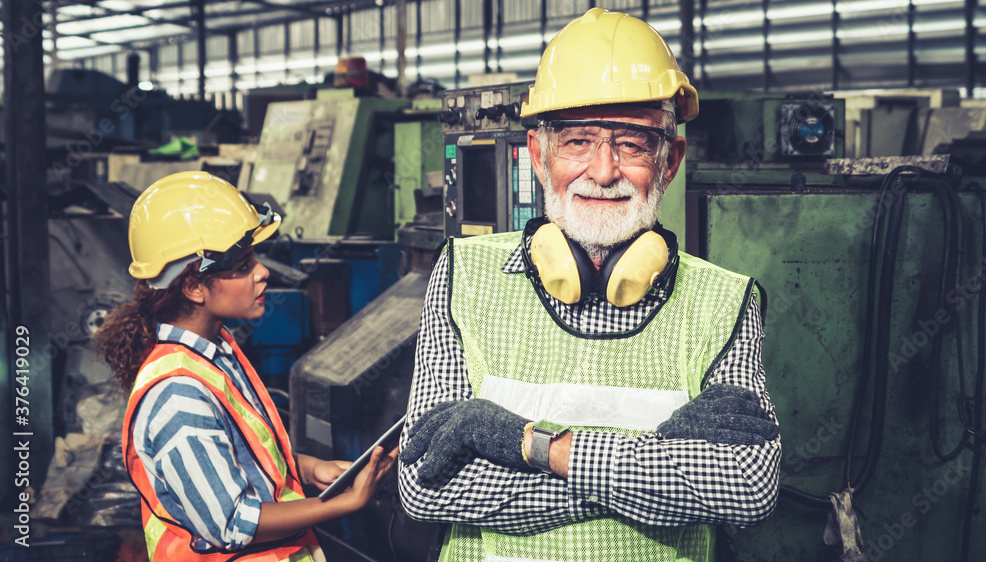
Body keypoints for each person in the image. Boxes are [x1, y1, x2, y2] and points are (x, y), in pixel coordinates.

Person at [398, 7, 781, 562]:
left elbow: (746, 488)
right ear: (538, 153)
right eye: (578, 141)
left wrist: (536, 447)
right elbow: (426, 488)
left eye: (631, 144)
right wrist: (661, 462)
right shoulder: (465, 277)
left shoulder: (722, 301)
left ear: (669, 160)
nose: (603, 171)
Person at [95, 171, 397, 561]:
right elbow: (231, 522)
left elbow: (233, 458)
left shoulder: (215, 352)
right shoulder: (177, 395)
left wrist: (307, 469)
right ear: (193, 286)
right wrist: (343, 504)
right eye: (242, 265)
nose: (263, 272)